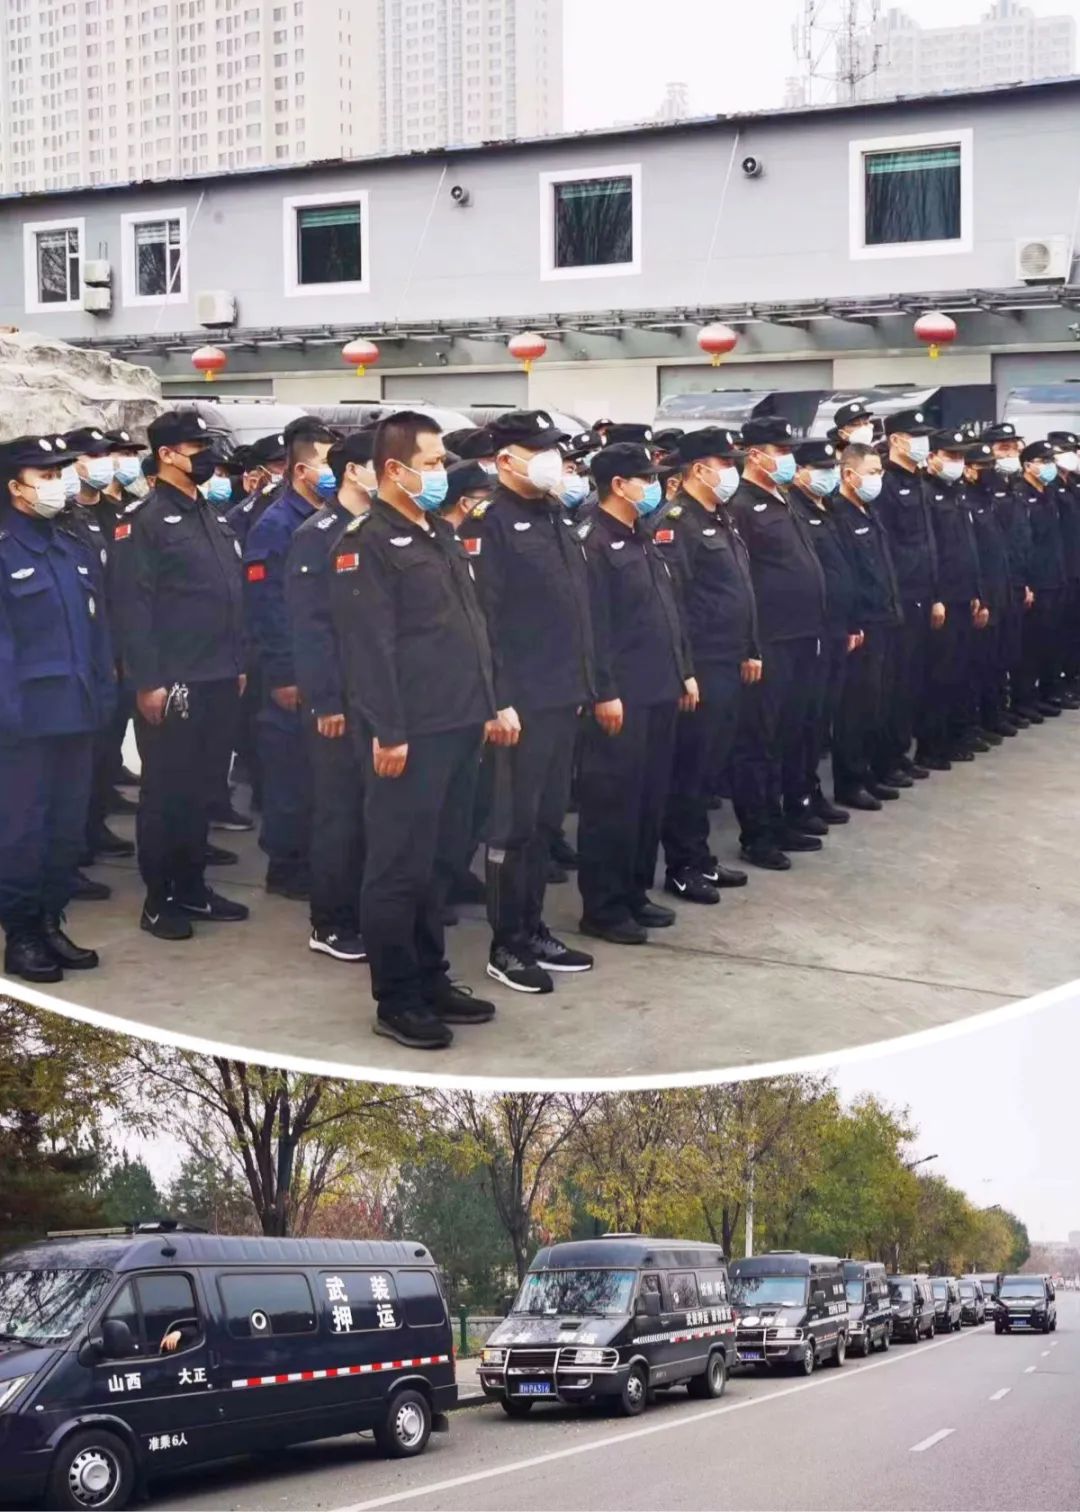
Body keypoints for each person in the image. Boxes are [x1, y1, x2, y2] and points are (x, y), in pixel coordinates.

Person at [329, 411, 498, 1049]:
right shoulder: (366, 542)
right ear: (395, 469)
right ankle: (397, 997)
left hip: (459, 722)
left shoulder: (438, 533)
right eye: (430, 464)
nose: (440, 474)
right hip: (409, 733)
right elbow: (368, 648)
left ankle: (431, 976)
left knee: (441, 861)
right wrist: (389, 730)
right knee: (397, 868)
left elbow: (469, 628)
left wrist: (489, 704)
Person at [467, 408, 596, 993]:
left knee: (545, 822)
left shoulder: (554, 516)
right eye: (539, 450)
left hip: (561, 694)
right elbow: (483, 620)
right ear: (505, 460)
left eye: (554, 450)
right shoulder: (490, 522)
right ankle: (507, 944)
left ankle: (533, 927)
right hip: (519, 703)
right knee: (513, 826)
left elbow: (574, 610)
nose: (553, 461)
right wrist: (497, 699)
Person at [112, 409, 249, 941]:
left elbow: (229, 595)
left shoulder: (209, 513)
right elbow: (134, 607)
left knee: (201, 789)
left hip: (219, 674)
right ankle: (159, 897)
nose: (206, 457)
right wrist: (148, 680)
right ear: (166, 454)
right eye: (196, 449)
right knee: (167, 792)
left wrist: (237, 663)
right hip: (175, 679)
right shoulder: (144, 520)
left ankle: (192, 886)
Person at [0, 435, 115, 982]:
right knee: (22, 832)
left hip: (76, 711)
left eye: (57, 473)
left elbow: (97, 631)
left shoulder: (69, 546)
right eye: (44, 476)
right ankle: (21, 934)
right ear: (15, 488)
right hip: (24, 722)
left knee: (67, 830)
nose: (57, 484)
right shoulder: (4, 550)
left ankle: (50, 920)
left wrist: (104, 694)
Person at [575, 442, 696, 944]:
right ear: (618, 485)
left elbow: (668, 610)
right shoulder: (593, 542)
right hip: (621, 694)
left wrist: (684, 670)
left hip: (659, 685)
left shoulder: (642, 534)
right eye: (644, 478)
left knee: (648, 796)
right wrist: (603, 691)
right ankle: (603, 907)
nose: (654, 486)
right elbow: (593, 627)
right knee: (613, 802)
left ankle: (634, 891)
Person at [654, 428, 758, 903]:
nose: (732, 471)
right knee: (690, 769)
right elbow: (673, 604)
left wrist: (751, 647)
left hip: (729, 658)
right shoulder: (678, 523)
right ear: (698, 469)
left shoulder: (721, 517)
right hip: (702, 662)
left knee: (711, 765)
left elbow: (740, 589)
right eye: (725, 463)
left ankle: (701, 858)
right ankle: (682, 865)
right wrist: (684, 670)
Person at [285, 430, 376, 963]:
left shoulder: (380, 528)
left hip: (378, 696)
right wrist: (326, 701)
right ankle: (331, 921)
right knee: (339, 813)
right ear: (353, 471)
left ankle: (366, 909)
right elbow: (310, 626)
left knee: (372, 814)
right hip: (338, 697)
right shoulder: (316, 535)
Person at [728, 415, 828, 871]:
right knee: (759, 740)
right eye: (780, 451)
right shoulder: (741, 505)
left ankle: (786, 815)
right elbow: (741, 580)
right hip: (770, 639)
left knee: (792, 730)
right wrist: (750, 644)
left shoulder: (782, 497)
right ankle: (758, 832)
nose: (787, 459)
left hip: (802, 634)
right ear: (755, 455)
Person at [244, 419, 338, 900]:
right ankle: (285, 864)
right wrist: (283, 672)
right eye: (326, 462)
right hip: (289, 669)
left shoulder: (331, 518)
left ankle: (313, 857)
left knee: (319, 774)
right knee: (290, 772)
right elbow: (267, 605)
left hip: (323, 666)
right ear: (301, 470)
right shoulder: (277, 524)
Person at [788, 440, 862, 825]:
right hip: (809, 631)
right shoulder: (795, 511)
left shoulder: (827, 508)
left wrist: (850, 622)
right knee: (803, 722)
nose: (829, 475)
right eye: (820, 469)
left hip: (835, 627)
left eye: (832, 468)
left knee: (821, 719)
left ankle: (811, 790)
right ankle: (797, 797)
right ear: (799, 471)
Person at [830, 443, 904, 810]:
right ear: (848, 474)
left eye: (880, 472)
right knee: (855, 707)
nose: (879, 479)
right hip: (863, 625)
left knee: (877, 702)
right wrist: (852, 623)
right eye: (872, 473)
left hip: (885, 617)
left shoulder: (869, 510)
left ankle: (871, 771)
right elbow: (845, 576)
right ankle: (850, 780)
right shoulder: (838, 514)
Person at [874, 408, 943, 786]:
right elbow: (886, 547)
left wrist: (935, 593)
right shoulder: (884, 483)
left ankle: (901, 752)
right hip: (900, 597)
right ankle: (885, 759)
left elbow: (927, 542)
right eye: (916, 436)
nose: (922, 442)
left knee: (913, 680)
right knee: (894, 684)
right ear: (896, 440)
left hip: (923, 594)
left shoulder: (919, 482)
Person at [920, 430, 988, 766]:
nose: (957, 462)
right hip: (944, 597)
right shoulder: (926, 493)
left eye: (961, 457)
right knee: (939, 673)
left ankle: (955, 735)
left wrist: (977, 591)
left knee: (961, 669)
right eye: (950, 456)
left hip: (964, 594)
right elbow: (930, 551)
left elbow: (969, 547)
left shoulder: (957, 492)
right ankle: (932, 745)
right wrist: (936, 595)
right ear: (932, 457)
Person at [1015, 439, 1074, 717]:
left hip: (1056, 575)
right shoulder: (1020, 494)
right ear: (1028, 465)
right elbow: (1022, 542)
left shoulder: (1049, 493)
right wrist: (1025, 581)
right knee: (1031, 642)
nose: (1049, 466)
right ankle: (1025, 698)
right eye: (1044, 461)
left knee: (1052, 638)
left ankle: (1049, 690)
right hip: (1036, 579)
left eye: (1051, 460)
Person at [982, 421, 1036, 725]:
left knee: (1009, 649)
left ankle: (1004, 707)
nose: (1011, 454)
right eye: (1004, 448)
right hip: (993, 583)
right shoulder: (984, 487)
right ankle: (989, 712)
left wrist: (1024, 581)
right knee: (990, 653)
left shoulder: (1012, 484)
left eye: (1014, 448)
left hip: (1015, 578)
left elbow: (1019, 538)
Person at [965, 440, 1018, 740]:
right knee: (978, 661)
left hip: (1001, 587)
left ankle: (994, 713)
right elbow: (972, 555)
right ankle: (974, 720)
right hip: (983, 591)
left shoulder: (988, 499)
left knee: (998, 657)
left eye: (989, 466)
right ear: (969, 470)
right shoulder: (966, 502)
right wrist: (981, 597)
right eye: (981, 467)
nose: (988, 472)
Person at [1049, 430, 1080, 698]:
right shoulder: (1048, 487)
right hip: (1060, 568)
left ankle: (1072, 676)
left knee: (1073, 627)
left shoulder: (1073, 484)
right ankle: (1057, 681)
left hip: (1074, 565)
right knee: (1058, 630)